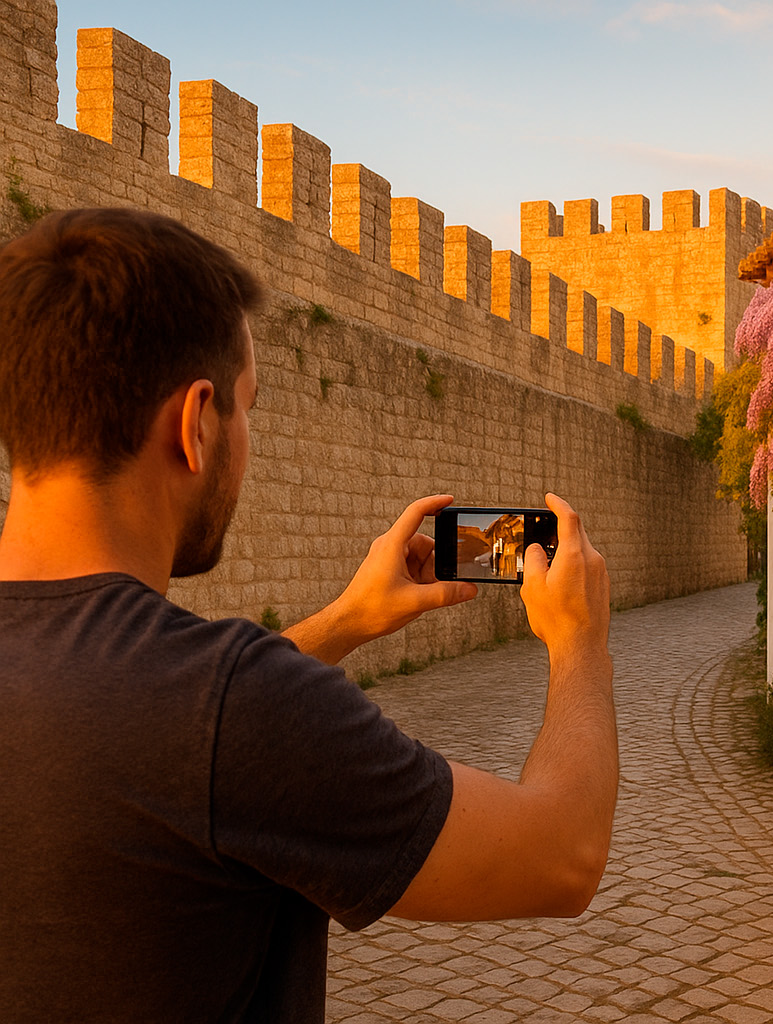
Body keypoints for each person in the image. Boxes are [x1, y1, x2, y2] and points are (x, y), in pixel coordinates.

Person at [0, 208, 618, 1022]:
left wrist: (346, 622)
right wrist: (580, 643)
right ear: (194, 425)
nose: (247, 437)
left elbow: (156, 714)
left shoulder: (195, 706)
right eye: (247, 407)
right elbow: (561, 856)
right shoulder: (233, 709)